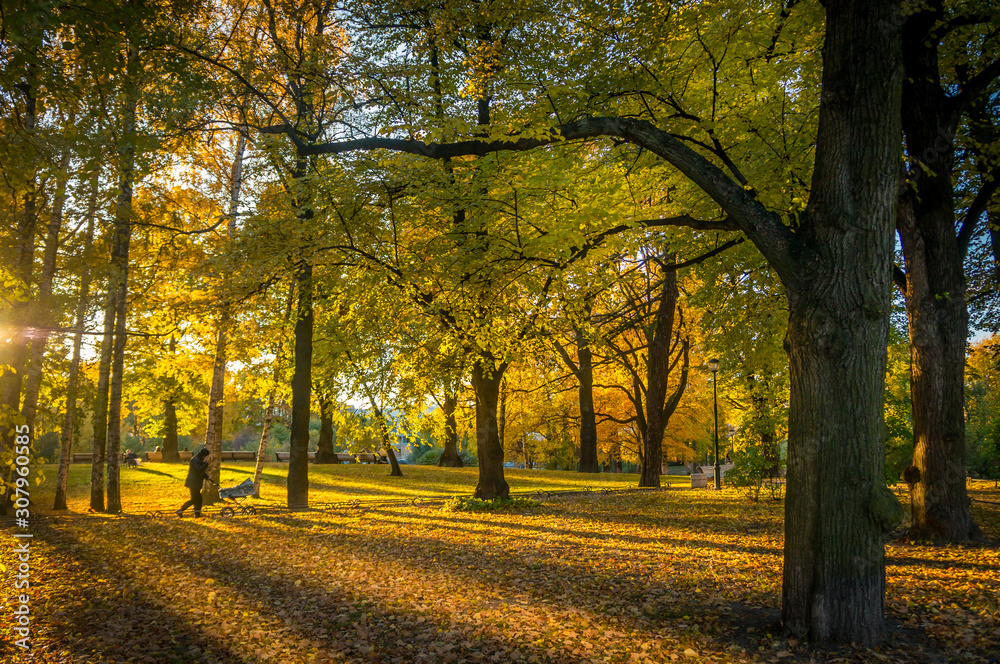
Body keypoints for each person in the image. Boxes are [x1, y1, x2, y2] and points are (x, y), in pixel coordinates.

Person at [175, 447, 210, 518]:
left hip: (194, 482)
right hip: (194, 483)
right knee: (195, 499)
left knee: (198, 499)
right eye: (207, 456)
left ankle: (196, 513)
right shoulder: (196, 460)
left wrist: (207, 477)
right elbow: (200, 470)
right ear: (204, 456)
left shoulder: (197, 459)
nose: (207, 458)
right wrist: (206, 463)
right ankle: (181, 510)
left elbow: (200, 471)